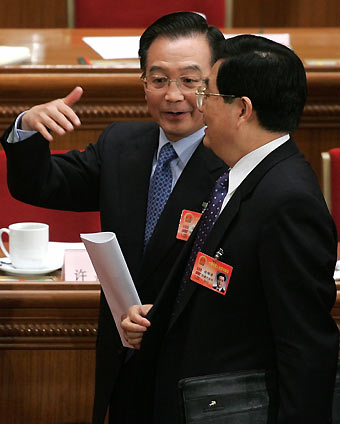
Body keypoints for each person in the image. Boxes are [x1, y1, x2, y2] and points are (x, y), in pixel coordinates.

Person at [0, 12, 227, 423]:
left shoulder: (234, 163)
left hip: (194, 374)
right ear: (143, 83)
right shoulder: (123, 144)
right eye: (158, 80)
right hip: (122, 365)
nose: (173, 95)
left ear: (216, 84)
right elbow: (42, 186)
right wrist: (26, 129)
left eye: (191, 81)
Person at [121, 35, 340, 423]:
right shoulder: (235, 177)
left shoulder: (289, 201)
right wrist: (162, 317)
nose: (199, 106)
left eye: (208, 94)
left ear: (242, 109)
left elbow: (305, 347)